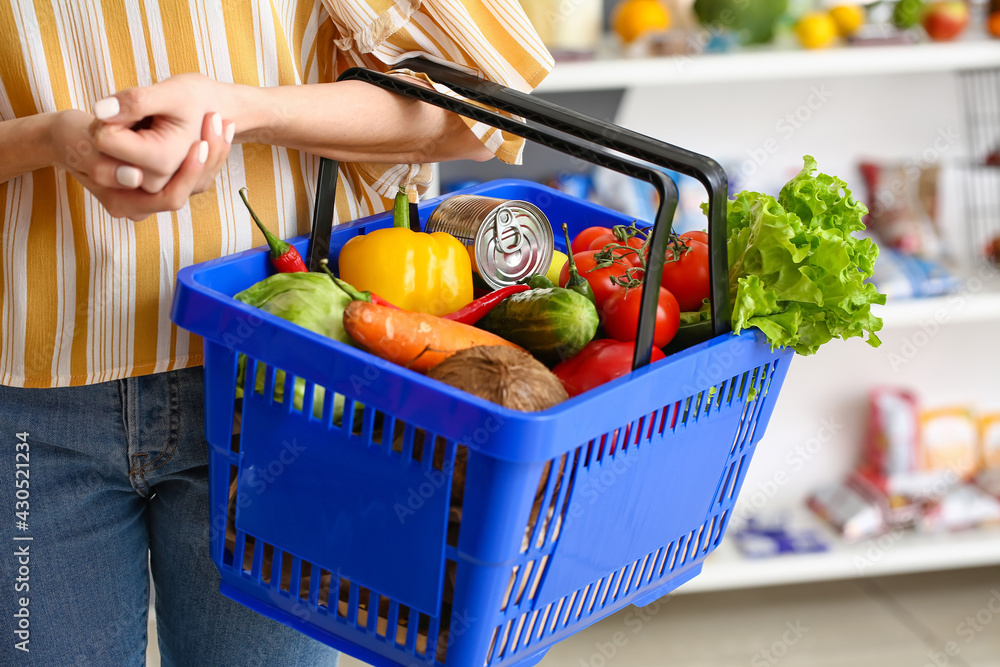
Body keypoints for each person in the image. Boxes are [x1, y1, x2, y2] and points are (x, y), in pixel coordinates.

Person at [0, 0, 551, 664]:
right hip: (33, 393)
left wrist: (241, 109)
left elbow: (477, 105)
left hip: (284, 384)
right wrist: (50, 140)